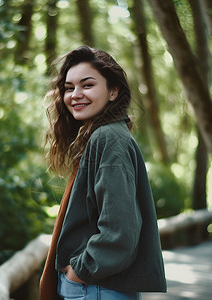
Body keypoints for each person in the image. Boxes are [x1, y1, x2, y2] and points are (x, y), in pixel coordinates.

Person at [40, 46, 166, 300]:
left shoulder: (109, 137)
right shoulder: (105, 135)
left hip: (95, 289)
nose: (75, 95)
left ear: (113, 91)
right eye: (68, 87)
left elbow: (120, 228)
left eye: (87, 85)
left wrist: (81, 270)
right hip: (95, 288)